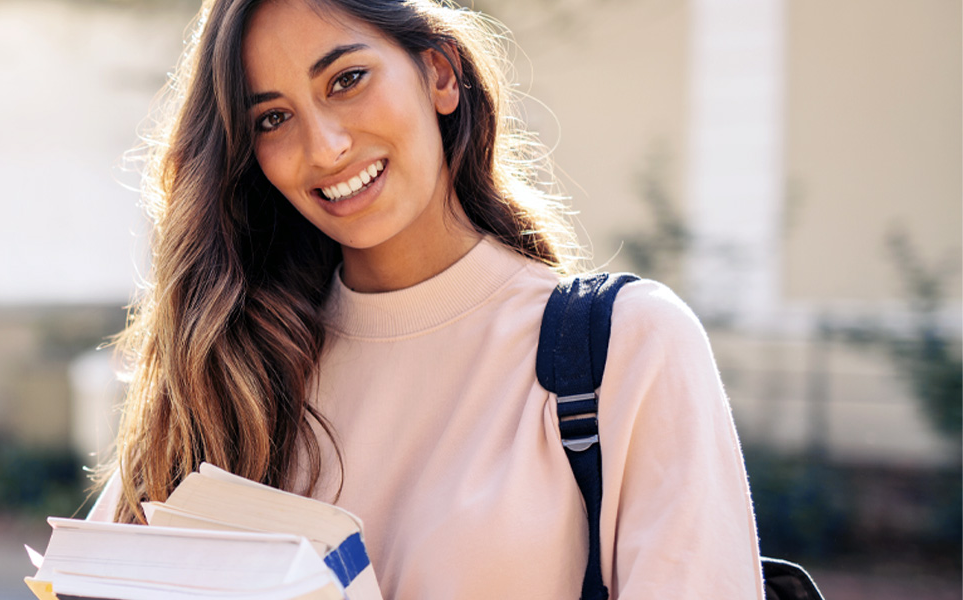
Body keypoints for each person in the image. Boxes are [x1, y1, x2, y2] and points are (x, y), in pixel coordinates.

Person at [86, 0, 765, 597]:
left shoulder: (626, 347)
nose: (325, 148)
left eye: (347, 80)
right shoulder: (224, 375)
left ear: (440, 73)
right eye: (272, 118)